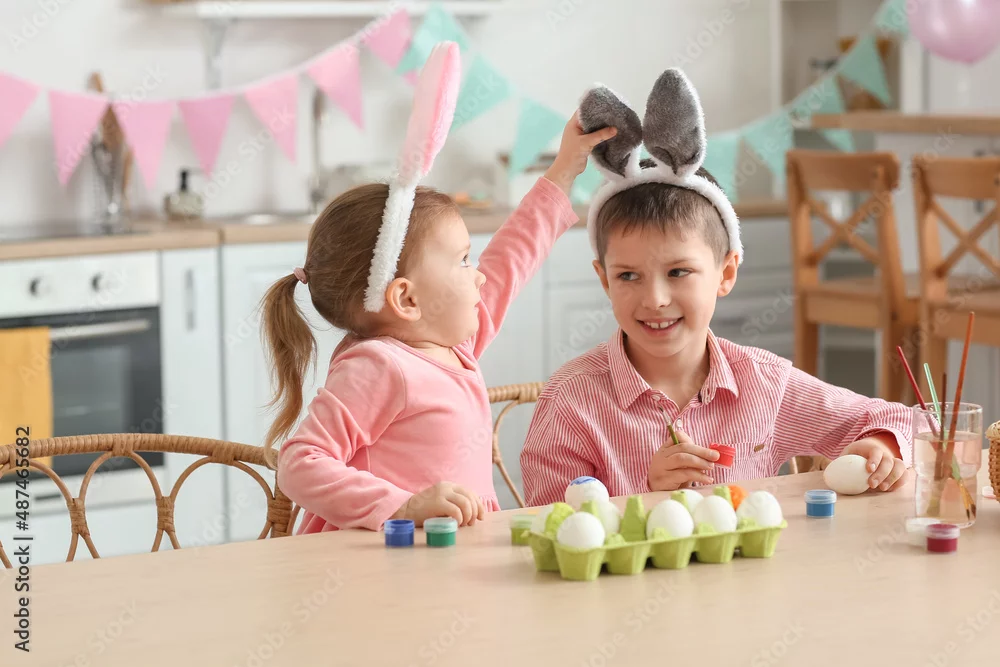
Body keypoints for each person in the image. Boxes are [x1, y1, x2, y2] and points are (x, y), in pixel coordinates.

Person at [520, 68, 911, 507]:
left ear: (725, 274)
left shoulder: (764, 384)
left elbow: (895, 418)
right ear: (604, 279)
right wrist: (645, 498)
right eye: (628, 276)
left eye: (678, 272)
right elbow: (547, 526)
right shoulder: (571, 401)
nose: (655, 300)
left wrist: (878, 446)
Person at [260, 67, 616, 531]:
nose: (480, 277)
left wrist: (565, 167)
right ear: (407, 300)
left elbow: (511, 260)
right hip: (375, 565)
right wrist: (403, 507)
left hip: (444, 558)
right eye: (464, 261)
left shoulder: (450, 344)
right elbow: (299, 464)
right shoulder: (378, 367)